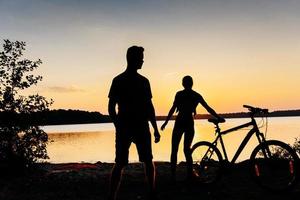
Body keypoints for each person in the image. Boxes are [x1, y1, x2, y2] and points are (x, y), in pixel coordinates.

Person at [108, 46, 161, 200]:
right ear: (133, 59)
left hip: (137, 126)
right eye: (141, 57)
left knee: (143, 161)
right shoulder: (123, 80)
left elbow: (149, 107)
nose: (143, 60)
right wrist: (118, 125)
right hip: (133, 126)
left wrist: (156, 129)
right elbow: (111, 107)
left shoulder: (137, 81)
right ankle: (112, 196)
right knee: (124, 162)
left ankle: (151, 192)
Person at [161, 75, 223, 181]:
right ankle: (189, 175)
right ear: (192, 83)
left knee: (175, 149)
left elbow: (173, 109)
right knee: (186, 150)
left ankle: (174, 176)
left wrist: (166, 122)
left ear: (183, 84)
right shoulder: (196, 95)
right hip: (188, 122)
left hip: (180, 122)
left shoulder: (179, 94)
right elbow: (208, 108)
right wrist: (218, 117)